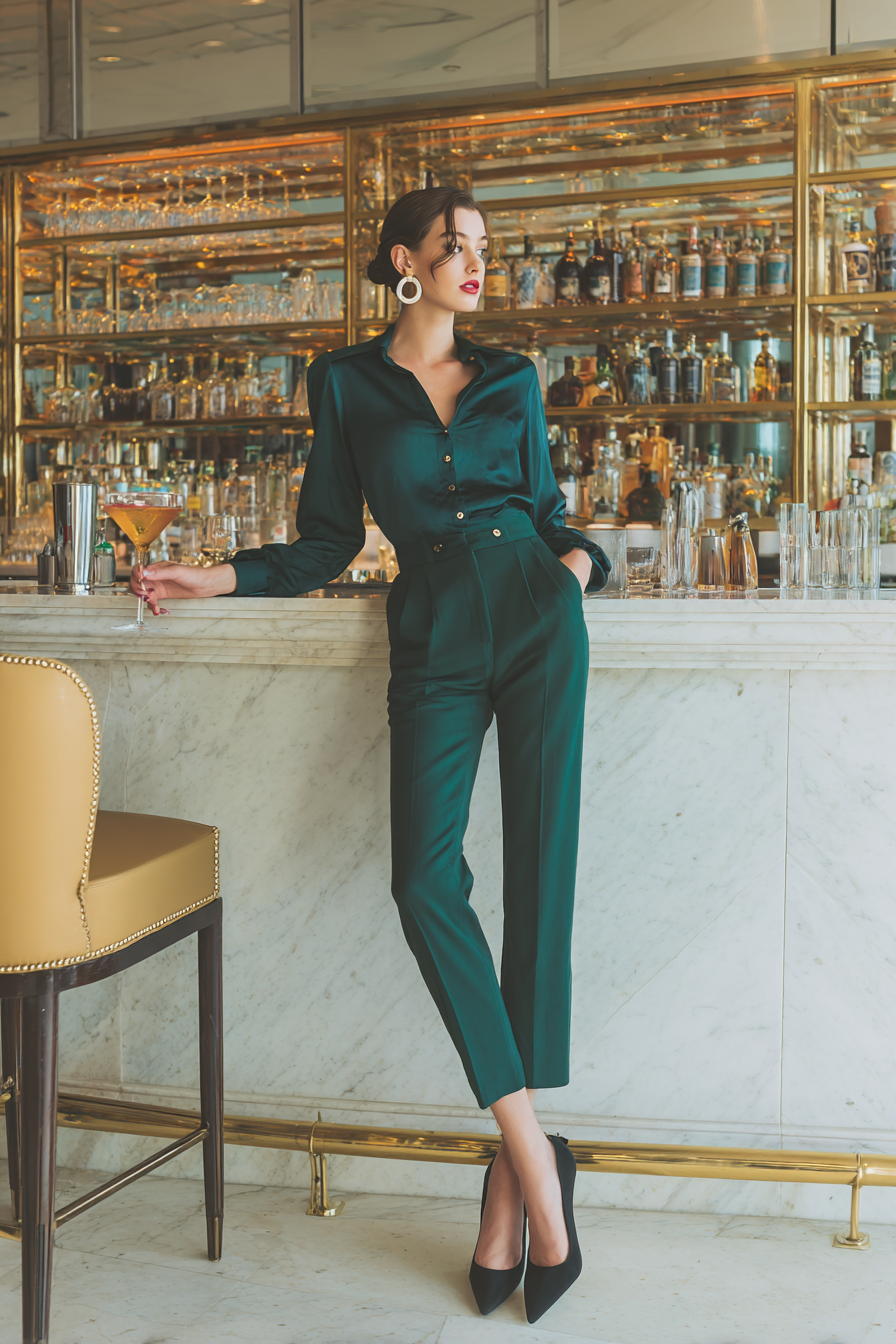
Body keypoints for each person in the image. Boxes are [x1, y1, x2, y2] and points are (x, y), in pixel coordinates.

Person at [132, 186, 609, 1323]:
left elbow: (547, 509)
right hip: (433, 630)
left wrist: (576, 572)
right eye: (456, 247)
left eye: (486, 250)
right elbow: (327, 539)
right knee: (421, 881)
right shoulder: (342, 381)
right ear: (404, 258)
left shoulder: (512, 379)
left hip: (540, 618)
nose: (476, 265)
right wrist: (212, 576)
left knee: (540, 879)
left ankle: (508, 1185)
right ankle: (533, 1156)